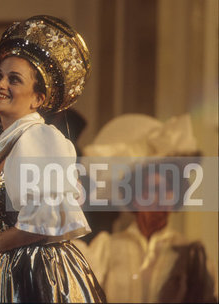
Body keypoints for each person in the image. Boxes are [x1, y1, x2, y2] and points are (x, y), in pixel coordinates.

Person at [0, 16, 106, 303]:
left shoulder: (39, 138)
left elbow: (46, 218)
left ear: (38, 99)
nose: (0, 84)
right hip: (5, 271)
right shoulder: (8, 145)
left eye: (14, 79)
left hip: (37, 274)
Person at [77, 114, 217, 303]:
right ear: (134, 196)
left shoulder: (191, 254)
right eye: (152, 190)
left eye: (168, 190)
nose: (161, 198)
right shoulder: (106, 248)